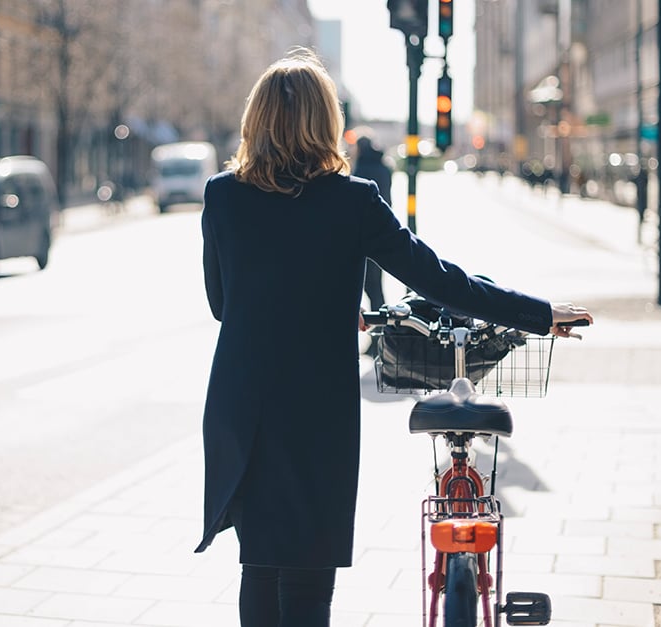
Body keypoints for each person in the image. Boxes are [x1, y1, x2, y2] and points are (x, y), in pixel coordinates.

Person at [196, 48, 592, 627]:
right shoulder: (352, 200)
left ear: (255, 119)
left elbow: (222, 305)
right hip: (315, 413)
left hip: (242, 406)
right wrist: (536, 313)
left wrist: (305, 302)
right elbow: (441, 280)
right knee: (307, 576)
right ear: (324, 120)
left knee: (258, 565)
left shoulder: (222, 195)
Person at [349, 132, 393, 317]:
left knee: (368, 285)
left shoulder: (360, 171)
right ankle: (381, 325)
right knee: (376, 285)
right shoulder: (385, 167)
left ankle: (376, 328)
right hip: (382, 227)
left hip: (361, 232)